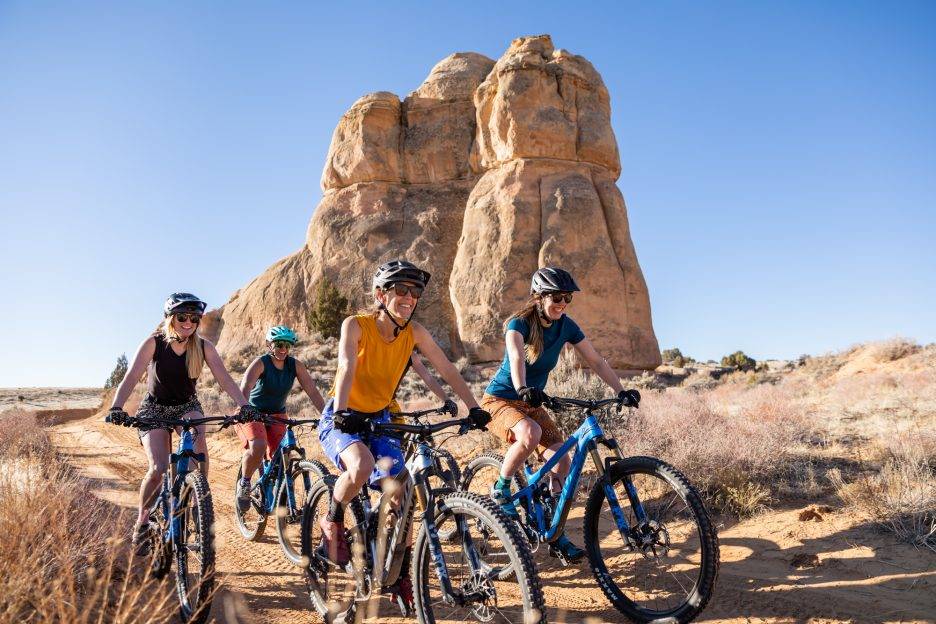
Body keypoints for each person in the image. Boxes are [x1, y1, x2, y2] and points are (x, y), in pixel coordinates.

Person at [317, 260, 490, 606]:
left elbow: (447, 370)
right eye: (401, 290)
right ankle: (332, 521)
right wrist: (342, 414)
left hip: (380, 418)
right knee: (361, 467)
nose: (409, 297)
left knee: (402, 492)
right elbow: (347, 366)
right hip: (342, 415)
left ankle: (396, 575)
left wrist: (473, 407)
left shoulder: (414, 333)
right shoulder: (357, 325)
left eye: (415, 292)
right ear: (381, 295)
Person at [481, 267, 640, 563]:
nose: (563, 303)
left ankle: (555, 534)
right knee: (531, 434)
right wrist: (523, 387)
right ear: (539, 297)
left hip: (532, 403)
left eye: (567, 298)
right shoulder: (519, 323)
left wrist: (622, 390)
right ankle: (501, 488)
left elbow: (595, 360)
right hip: (501, 400)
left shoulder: (566, 326)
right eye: (556, 297)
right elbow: (516, 356)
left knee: (562, 462)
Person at [107, 293, 256, 555]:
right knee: (158, 467)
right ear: (170, 319)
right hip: (154, 408)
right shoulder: (154, 343)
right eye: (182, 317)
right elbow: (131, 376)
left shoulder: (203, 347)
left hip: (187, 406)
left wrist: (243, 405)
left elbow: (225, 380)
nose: (189, 322)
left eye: (194, 318)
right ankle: (142, 523)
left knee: (199, 452)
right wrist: (117, 407)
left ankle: (198, 500)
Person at [234, 325, 327, 512]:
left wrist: (327, 415)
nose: (283, 349)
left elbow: (312, 391)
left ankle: (276, 491)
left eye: (287, 345)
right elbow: (245, 387)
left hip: (277, 415)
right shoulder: (261, 363)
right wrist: (244, 408)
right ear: (269, 344)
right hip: (252, 412)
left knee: (282, 455)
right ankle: (244, 484)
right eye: (278, 344)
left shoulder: (295, 365)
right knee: (258, 446)